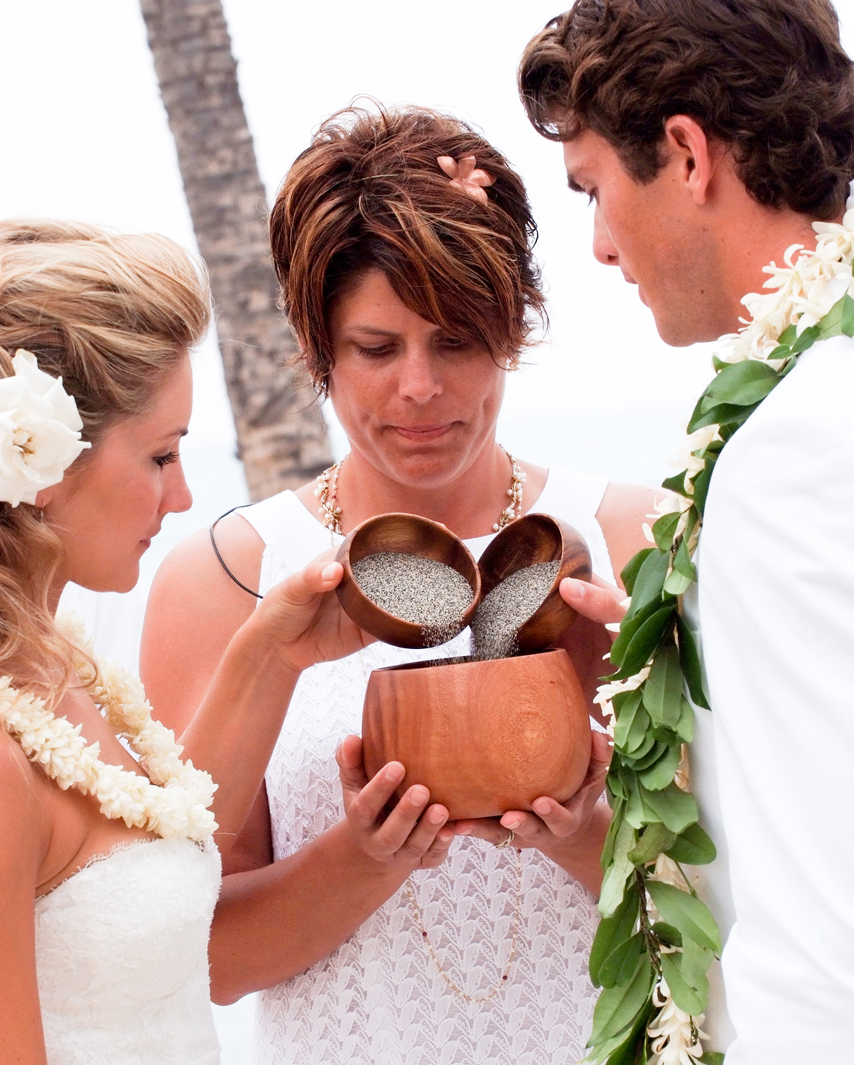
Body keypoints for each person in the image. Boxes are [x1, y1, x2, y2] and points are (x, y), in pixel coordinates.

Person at [141, 105, 656, 1065]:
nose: (420, 387)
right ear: (317, 351)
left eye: (456, 341)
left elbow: (733, 896)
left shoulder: (632, 536)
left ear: (512, 332)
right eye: (377, 349)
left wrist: (583, 831)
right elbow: (196, 951)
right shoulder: (225, 579)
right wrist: (364, 856)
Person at [519, 2, 854, 1062]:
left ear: (682, 153)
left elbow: (820, 893)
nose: (601, 246)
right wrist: (685, 664)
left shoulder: (794, 445)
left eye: (592, 191)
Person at [0, 220, 370, 1065]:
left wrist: (274, 652)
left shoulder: (59, 667)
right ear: (45, 464)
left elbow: (163, 848)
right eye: (161, 456)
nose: (184, 495)